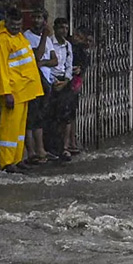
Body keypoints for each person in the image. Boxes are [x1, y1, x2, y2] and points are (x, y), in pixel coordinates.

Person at [0, 7, 44, 173]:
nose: (16, 28)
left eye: (18, 25)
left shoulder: (19, 36)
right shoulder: (2, 40)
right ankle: (7, 162)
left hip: (25, 90)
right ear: (6, 21)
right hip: (13, 92)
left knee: (20, 129)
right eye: (13, 25)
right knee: (9, 128)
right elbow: (1, 69)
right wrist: (6, 93)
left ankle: (17, 158)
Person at [23, 9, 58, 163]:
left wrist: (43, 62)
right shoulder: (27, 37)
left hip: (46, 81)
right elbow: (36, 56)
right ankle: (31, 152)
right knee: (32, 118)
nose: (37, 21)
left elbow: (54, 60)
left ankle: (41, 150)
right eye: (35, 17)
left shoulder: (48, 40)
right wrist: (44, 36)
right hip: (32, 81)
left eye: (40, 18)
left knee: (40, 118)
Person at [46, 18, 75, 161]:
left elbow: (69, 65)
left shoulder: (68, 45)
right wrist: (54, 81)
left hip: (64, 81)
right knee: (51, 116)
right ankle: (52, 148)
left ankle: (65, 148)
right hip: (52, 80)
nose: (64, 31)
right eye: (61, 28)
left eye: (66, 28)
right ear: (55, 28)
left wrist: (66, 80)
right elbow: (46, 64)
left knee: (66, 115)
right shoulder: (49, 43)